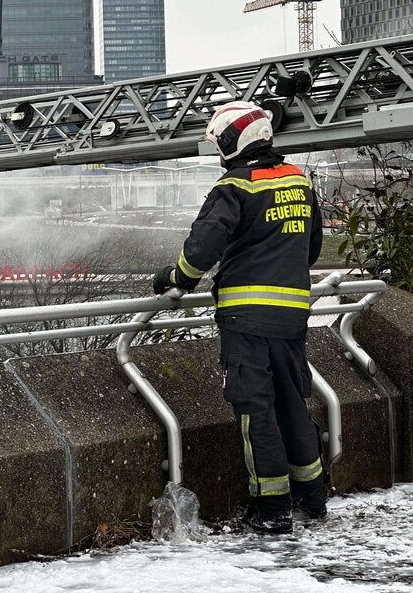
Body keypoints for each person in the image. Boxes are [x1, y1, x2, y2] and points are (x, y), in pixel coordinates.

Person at [152, 100, 327, 534]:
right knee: (292, 404)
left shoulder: (234, 186)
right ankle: (314, 497)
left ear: (234, 142)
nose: (218, 152)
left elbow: (202, 247)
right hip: (292, 314)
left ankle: (272, 509)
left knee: (255, 411)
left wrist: (176, 277)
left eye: (221, 143)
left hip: (246, 318)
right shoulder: (298, 181)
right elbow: (312, 247)